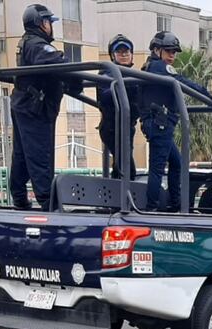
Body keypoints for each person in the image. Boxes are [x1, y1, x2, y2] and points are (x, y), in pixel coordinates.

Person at [9, 4, 81, 211]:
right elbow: (60, 63)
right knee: (40, 156)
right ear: (41, 23)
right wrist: (75, 78)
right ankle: (48, 203)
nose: (51, 26)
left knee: (22, 155)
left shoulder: (27, 43)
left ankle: (20, 197)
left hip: (27, 106)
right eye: (49, 22)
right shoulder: (36, 45)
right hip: (34, 109)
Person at [139, 31, 212, 212]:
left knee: (177, 162)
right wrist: (208, 96)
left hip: (160, 124)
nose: (172, 55)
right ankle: (152, 209)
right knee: (157, 169)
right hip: (160, 124)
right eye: (168, 51)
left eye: (174, 51)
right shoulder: (158, 67)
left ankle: (175, 203)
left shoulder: (151, 66)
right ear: (157, 50)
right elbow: (181, 81)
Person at [97, 33, 139, 180]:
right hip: (112, 127)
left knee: (121, 164)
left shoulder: (135, 75)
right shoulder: (107, 72)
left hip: (128, 127)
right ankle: (120, 198)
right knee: (126, 167)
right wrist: (122, 86)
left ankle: (117, 197)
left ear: (132, 54)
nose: (123, 54)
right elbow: (105, 94)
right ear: (113, 56)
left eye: (126, 51)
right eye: (119, 52)